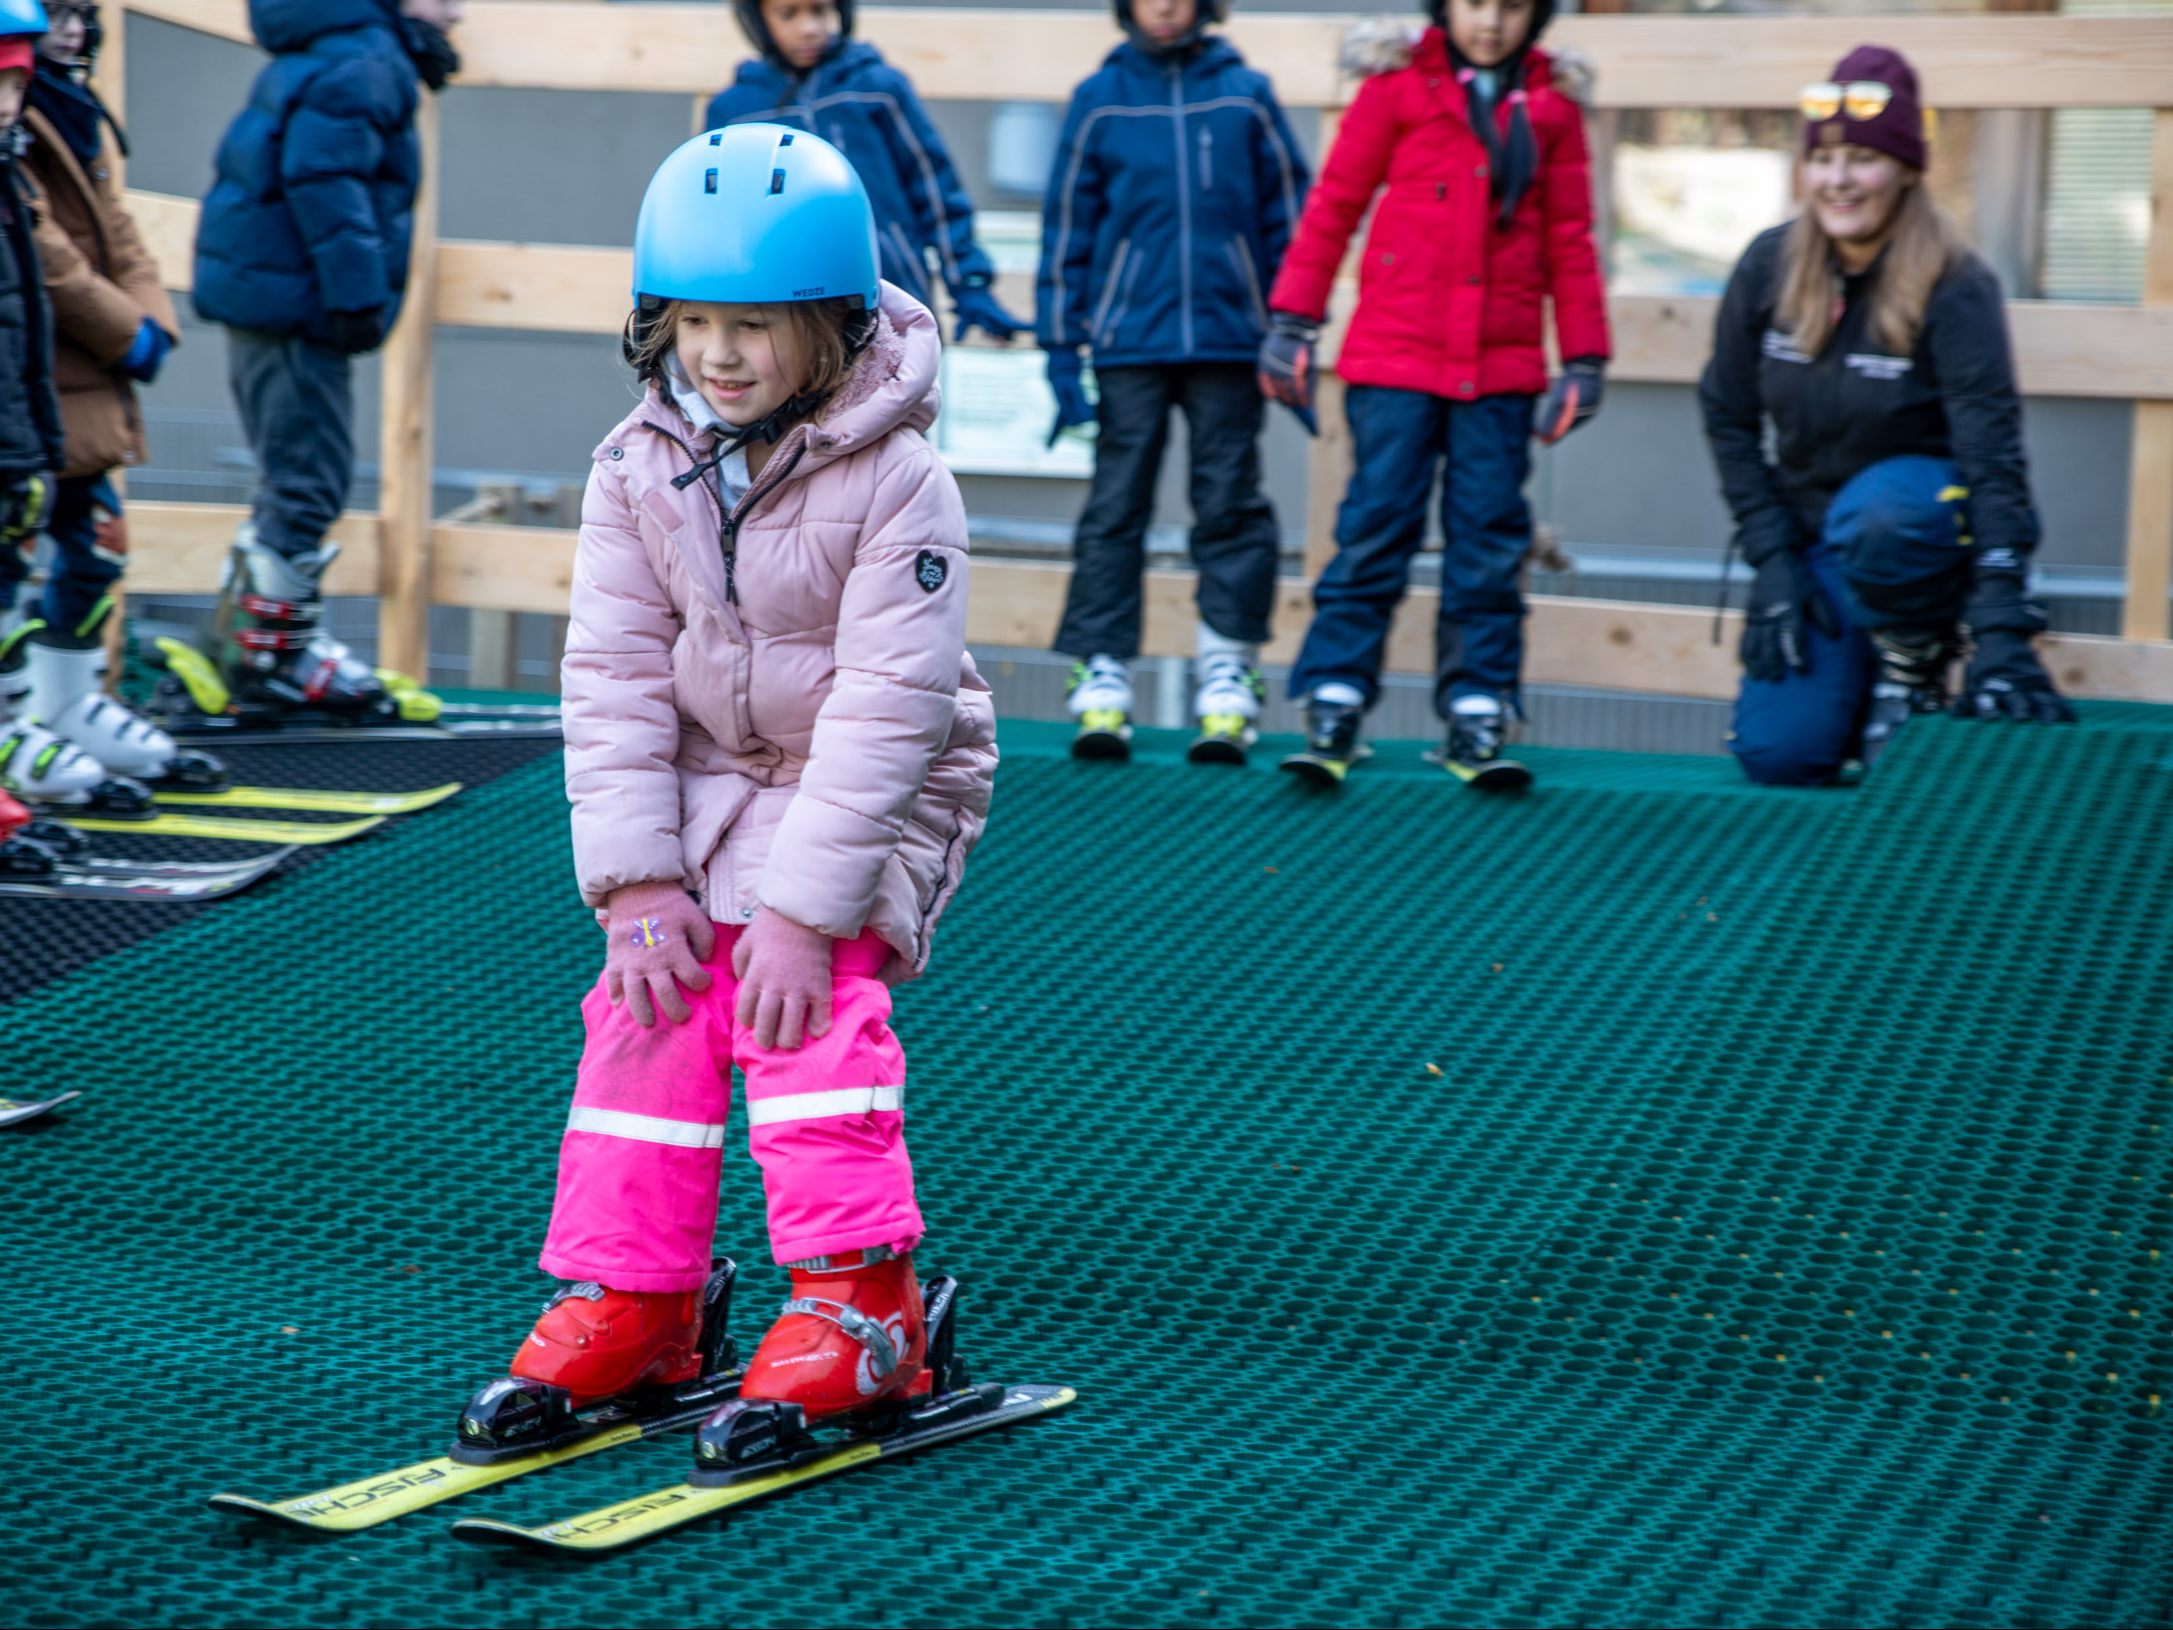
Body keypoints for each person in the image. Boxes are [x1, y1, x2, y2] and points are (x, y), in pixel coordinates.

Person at [506, 126, 997, 1420]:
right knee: (648, 1000)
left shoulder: (903, 482)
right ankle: (639, 1292)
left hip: (872, 781)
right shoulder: (635, 469)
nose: (716, 354)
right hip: (711, 775)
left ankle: (862, 1299)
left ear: (830, 328)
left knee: (805, 1008)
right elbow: (610, 679)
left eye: (755, 324)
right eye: (692, 320)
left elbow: (893, 713)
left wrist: (798, 909)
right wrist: (635, 884)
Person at [1258, 0, 1609, 789]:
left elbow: (1571, 240)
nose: (1490, 22)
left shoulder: (1550, 110)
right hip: (1394, 362)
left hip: (1500, 371)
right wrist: (1292, 320)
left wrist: (1584, 359)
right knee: (1375, 525)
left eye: (1511, 6)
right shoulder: (1395, 90)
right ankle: (1335, 694)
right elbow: (1334, 207)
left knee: (1488, 538)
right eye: (1473, 3)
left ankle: (1478, 703)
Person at [1701, 46, 2073, 787]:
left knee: (1881, 510)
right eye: (1824, 159)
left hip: (1915, 535)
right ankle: (1848, 686)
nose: (1838, 180)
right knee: (1780, 755)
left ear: (1905, 168)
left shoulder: (1955, 283)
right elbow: (1726, 416)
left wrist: (2000, 622)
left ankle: (1916, 658)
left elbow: (1992, 454)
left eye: (1863, 159)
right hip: (1814, 547)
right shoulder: (1767, 266)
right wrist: (1772, 560)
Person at [1037, 0, 1308, 765]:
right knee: (1117, 501)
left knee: (1229, 501)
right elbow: (1067, 227)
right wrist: (1062, 349)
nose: (1164, 5)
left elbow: (1292, 219)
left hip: (1229, 339)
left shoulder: (1245, 94)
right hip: (1129, 339)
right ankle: (1101, 670)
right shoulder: (1101, 99)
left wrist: (1290, 326)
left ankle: (1226, 666)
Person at [187, 0, 462, 723]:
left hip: (273, 294)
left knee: (296, 478)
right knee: (309, 482)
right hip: (294, 304)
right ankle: (262, 661)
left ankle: (269, 647)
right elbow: (323, 177)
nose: (458, 8)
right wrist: (356, 296)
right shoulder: (369, 61)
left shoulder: (351, 48)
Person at [1, 0, 197, 787]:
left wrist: (150, 319)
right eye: (61, 13)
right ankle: (19, 721)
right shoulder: (28, 113)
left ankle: (64, 703)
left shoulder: (71, 107)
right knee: (16, 558)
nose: (76, 30)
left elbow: (116, 229)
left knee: (94, 545)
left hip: (73, 380)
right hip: (46, 364)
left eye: (87, 14)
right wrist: (125, 329)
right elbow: (45, 250)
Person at [704, 0, 1023, 343]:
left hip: (893, 301)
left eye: (820, 10)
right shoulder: (733, 113)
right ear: (757, 20)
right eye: (789, 13)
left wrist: (969, 284)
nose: (810, 27)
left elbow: (935, 190)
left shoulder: (878, 88)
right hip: (784, 315)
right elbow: (717, 222)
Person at [0, 0, 85, 806]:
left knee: (9, 601)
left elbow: (24, 326)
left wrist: (35, 447)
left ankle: (14, 744)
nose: (5, 101)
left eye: (15, 84)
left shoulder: (10, 177)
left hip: (16, 437)